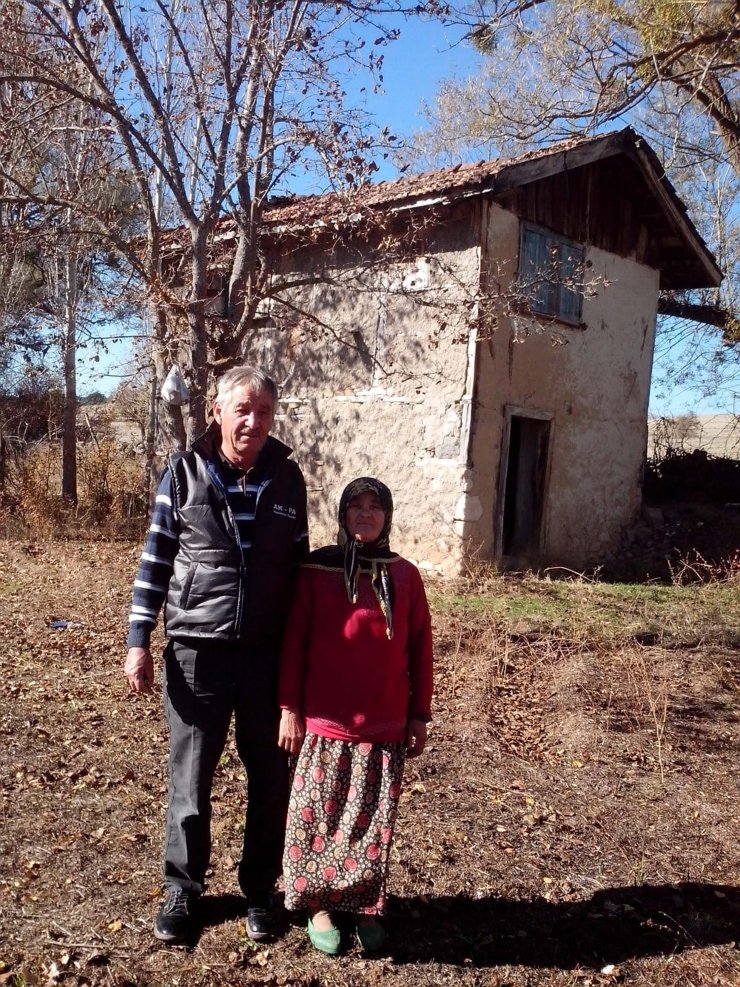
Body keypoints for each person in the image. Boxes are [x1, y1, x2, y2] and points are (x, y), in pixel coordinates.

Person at [124, 366, 309, 946]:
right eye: (242, 410)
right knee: (190, 778)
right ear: (217, 412)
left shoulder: (287, 478)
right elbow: (155, 560)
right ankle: (182, 889)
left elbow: (301, 575)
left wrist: (305, 665)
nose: (253, 422)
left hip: (265, 657)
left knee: (270, 778)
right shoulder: (183, 472)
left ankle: (260, 890)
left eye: (263, 413)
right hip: (195, 654)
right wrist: (139, 640)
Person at [278, 477, 433, 955]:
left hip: (382, 723)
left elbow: (420, 648)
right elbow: (294, 643)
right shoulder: (316, 572)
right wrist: (288, 708)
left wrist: (418, 714)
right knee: (316, 818)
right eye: (356, 506)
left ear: (387, 516)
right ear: (343, 514)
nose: (365, 514)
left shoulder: (403, 576)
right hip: (324, 720)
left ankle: (363, 903)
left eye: (375, 507)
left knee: (369, 822)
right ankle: (316, 905)